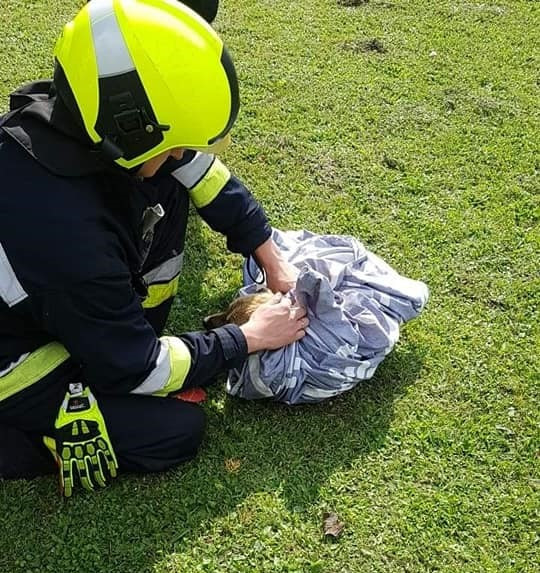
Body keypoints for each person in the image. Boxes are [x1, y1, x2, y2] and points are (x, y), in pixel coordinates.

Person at [0, 0, 308, 496]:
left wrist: (269, 255)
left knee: (165, 183)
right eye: (176, 143)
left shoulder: (75, 119)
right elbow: (139, 367)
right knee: (173, 433)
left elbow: (200, 173)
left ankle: (114, 338)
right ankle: (28, 440)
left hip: (55, 302)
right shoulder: (71, 238)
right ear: (133, 126)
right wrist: (248, 338)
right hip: (13, 364)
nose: (183, 154)